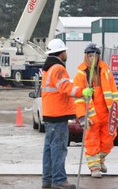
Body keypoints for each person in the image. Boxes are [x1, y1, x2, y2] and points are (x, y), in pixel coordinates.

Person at [41, 39, 93, 189]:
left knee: (50, 149)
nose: (67, 53)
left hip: (50, 114)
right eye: (65, 51)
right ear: (61, 52)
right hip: (58, 115)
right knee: (59, 148)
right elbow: (65, 88)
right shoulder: (58, 68)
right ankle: (59, 180)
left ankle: (48, 179)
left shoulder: (48, 68)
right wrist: (82, 91)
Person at [73, 43, 118, 178]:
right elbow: (78, 99)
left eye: (95, 55)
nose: (93, 58)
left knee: (109, 140)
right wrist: (82, 117)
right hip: (91, 116)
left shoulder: (106, 72)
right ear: (86, 56)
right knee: (92, 141)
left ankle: (100, 160)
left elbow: (114, 95)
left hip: (107, 115)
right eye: (90, 55)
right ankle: (94, 167)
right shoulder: (81, 74)